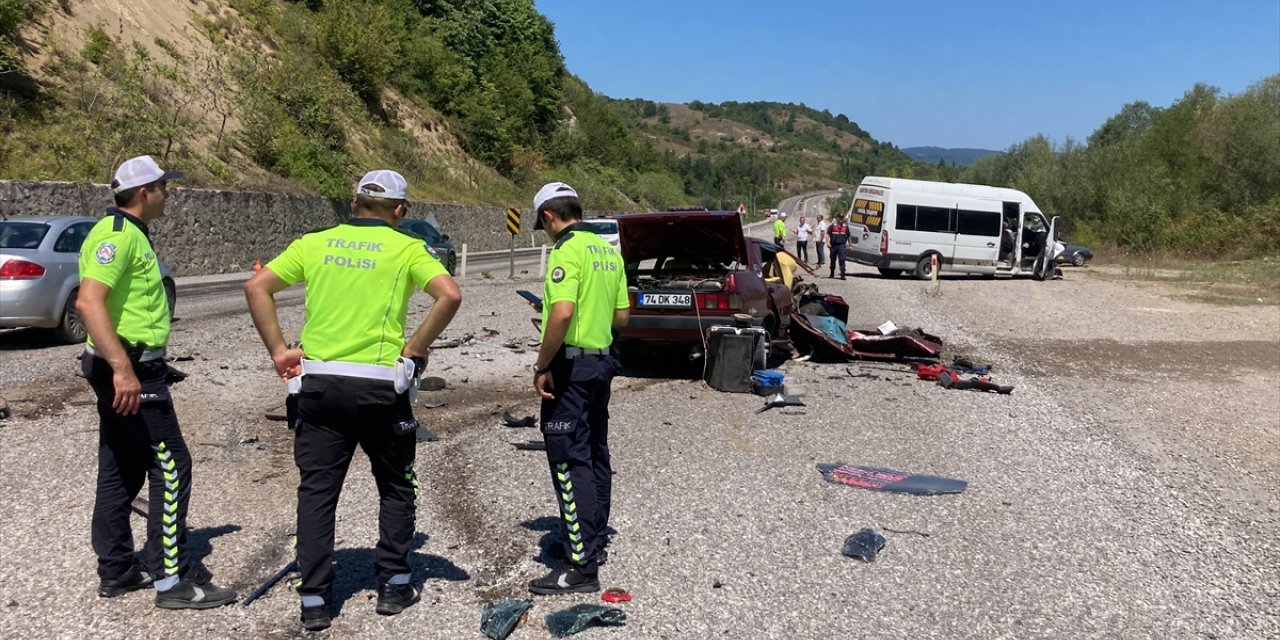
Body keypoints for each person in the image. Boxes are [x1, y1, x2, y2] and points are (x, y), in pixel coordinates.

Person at [245, 169, 461, 631]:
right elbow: (449, 294)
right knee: (396, 485)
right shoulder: (406, 248)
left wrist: (280, 351)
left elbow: (256, 287)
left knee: (318, 492)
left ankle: (315, 599)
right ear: (399, 212)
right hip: (379, 387)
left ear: (353, 201)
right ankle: (394, 583)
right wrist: (416, 348)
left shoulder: (315, 242)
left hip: (319, 387)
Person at [78, 155, 237, 610]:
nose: (169, 194)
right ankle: (172, 581)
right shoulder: (117, 238)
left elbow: (129, 310)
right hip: (125, 371)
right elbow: (90, 304)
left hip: (131, 364)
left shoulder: (127, 235)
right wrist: (125, 368)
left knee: (120, 467)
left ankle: (118, 570)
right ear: (145, 191)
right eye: (164, 186)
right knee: (171, 467)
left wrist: (151, 358)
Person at [527, 182, 629, 595]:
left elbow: (564, 311)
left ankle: (581, 565)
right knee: (594, 451)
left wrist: (542, 362)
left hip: (571, 366)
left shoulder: (566, 251)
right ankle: (593, 538)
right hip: (602, 363)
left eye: (543, 224)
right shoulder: (609, 252)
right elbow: (622, 316)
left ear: (549, 217)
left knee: (569, 460)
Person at [827, 212, 850, 279]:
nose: (840, 219)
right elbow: (828, 234)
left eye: (842, 218)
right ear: (836, 218)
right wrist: (828, 243)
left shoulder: (846, 227)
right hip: (833, 245)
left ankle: (842, 274)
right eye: (839, 217)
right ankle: (832, 272)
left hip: (842, 245)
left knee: (842, 260)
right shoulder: (832, 226)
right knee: (832, 259)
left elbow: (849, 236)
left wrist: (850, 245)